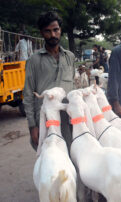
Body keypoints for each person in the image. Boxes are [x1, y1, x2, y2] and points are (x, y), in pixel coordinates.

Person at [23, 11, 76, 150]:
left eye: (55, 30)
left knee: (72, 159)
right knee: (51, 162)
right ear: (41, 33)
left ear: (60, 30)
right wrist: (32, 126)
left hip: (69, 119)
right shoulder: (34, 61)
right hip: (46, 121)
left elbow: (73, 87)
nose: (52, 35)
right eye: (47, 31)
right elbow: (28, 95)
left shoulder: (69, 57)